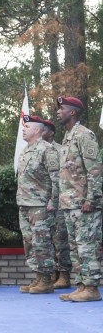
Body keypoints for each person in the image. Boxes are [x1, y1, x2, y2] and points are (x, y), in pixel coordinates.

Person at [55, 96, 103, 302]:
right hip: (70, 202)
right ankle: (82, 285)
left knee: (87, 246)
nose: (58, 112)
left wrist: (91, 199)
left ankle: (92, 288)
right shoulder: (68, 137)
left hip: (84, 203)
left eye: (62, 108)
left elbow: (95, 171)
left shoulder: (84, 135)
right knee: (75, 247)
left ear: (72, 112)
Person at [16, 115, 60, 294]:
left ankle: (47, 279)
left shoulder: (47, 150)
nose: (23, 129)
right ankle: (38, 277)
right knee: (29, 242)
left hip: (41, 205)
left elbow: (56, 178)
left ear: (38, 130)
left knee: (42, 242)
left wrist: (53, 201)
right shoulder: (26, 150)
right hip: (25, 204)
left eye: (27, 127)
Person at [42, 118, 72, 289]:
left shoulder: (60, 150)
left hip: (59, 202)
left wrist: (55, 199)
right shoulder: (35, 151)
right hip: (42, 203)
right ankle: (52, 273)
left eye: (44, 130)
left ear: (51, 132)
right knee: (47, 241)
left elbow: (62, 178)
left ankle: (64, 275)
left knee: (60, 240)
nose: (41, 133)